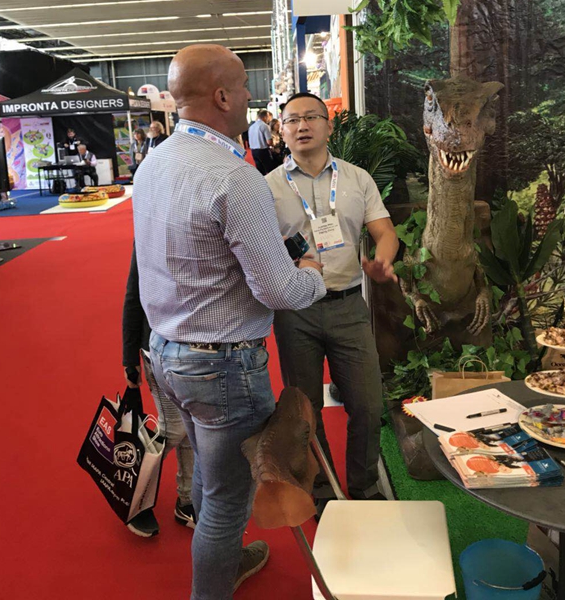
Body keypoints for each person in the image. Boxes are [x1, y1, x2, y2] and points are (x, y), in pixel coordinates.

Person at [133, 44, 326, 600]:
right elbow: (278, 290)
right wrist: (314, 273)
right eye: (243, 87)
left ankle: (225, 563)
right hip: (222, 366)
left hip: (167, 352)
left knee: (208, 473)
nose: (249, 97)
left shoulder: (154, 163)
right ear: (222, 96)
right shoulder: (234, 177)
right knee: (226, 497)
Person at [265, 92, 399, 518]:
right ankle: (322, 487)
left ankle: (364, 485)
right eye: (292, 120)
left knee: (369, 404)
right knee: (305, 411)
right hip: (295, 311)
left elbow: (385, 231)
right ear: (282, 131)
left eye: (311, 117)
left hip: (348, 306)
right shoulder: (266, 187)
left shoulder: (357, 178)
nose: (302, 126)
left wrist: (383, 260)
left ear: (328, 125)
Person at [122, 244, 196, 537]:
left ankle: (187, 500)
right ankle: (132, 490)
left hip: (197, 345)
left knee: (190, 426)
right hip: (157, 347)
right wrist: (129, 358)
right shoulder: (149, 225)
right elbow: (133, 294)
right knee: (175, 427)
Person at [248, 109, 275, 175]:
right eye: (269, 117)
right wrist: (273, 144)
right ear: (265, 117)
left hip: (253, 151)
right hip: (263, 151)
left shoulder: (251, 127)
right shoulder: (264, 126)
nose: (269, 120)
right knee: (270, 170)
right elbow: (269, 142)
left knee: (260, 171)